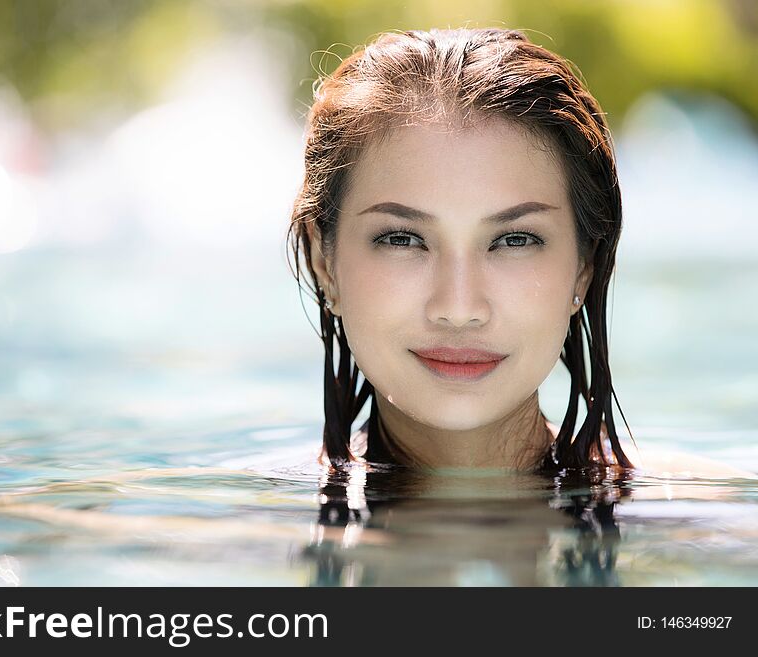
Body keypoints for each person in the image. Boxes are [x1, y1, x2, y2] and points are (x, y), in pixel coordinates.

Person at [287, 27, 752, 478]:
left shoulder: (704, 520)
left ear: (583, 267)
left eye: (514, 240)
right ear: (323, 262)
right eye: (402, 239)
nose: (459, 309)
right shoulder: (246, 527)